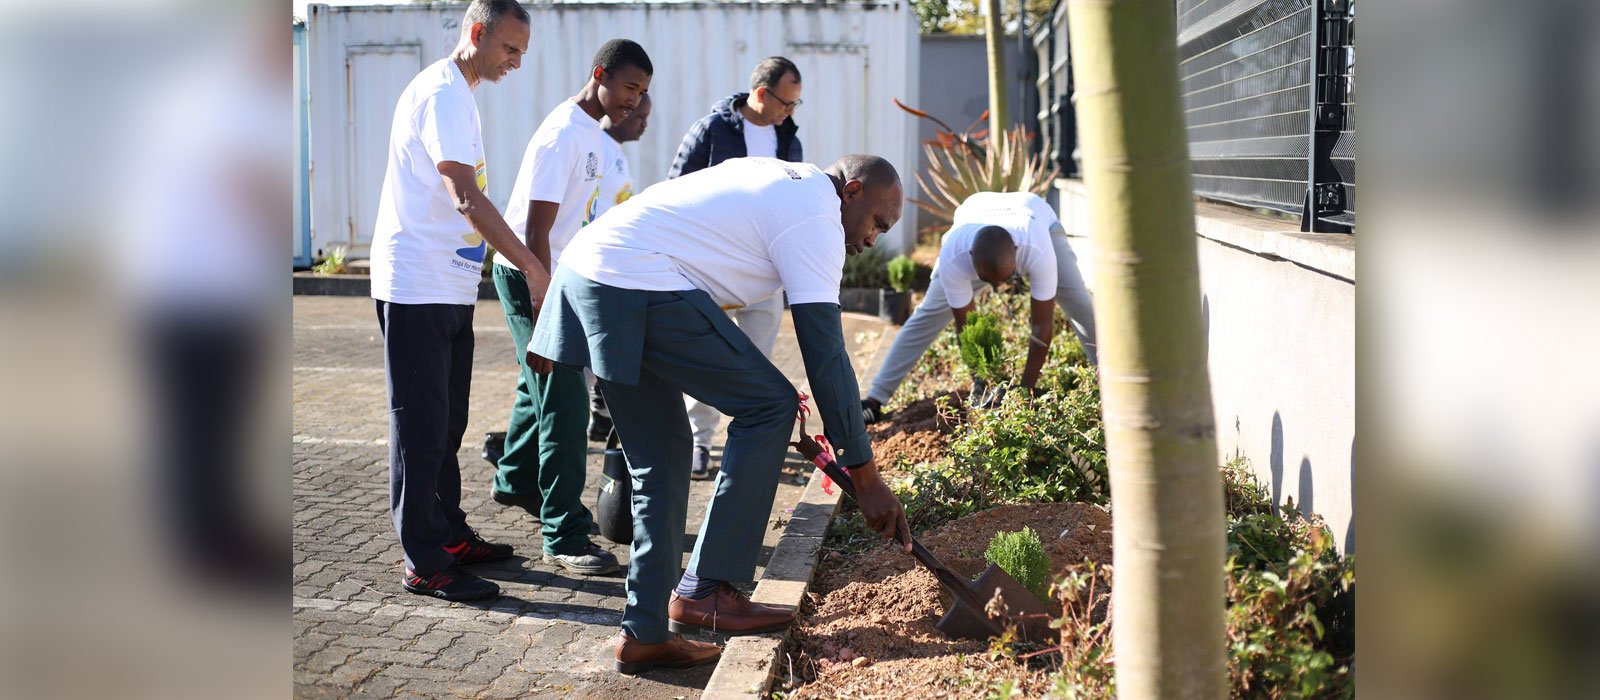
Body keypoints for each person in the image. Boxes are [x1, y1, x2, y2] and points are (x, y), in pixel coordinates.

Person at [528, 155, 913, 674]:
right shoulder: (817, 218)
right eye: (877, 224)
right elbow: (825, 355)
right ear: (853, 191)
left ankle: (644, 634)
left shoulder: (783, 178)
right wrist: (865, 477)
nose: (873, 239)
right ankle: (710, 587)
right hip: (634, 279)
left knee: (662, 459)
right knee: (770, 405)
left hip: (592, 272)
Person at [368, 0, 536, 602]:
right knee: (419, 427)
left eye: (521, 52)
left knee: (447, 422)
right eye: (509, 48)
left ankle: (447, 533)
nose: (516, 62)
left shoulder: (459, 93)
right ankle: (423, 559)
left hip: (447, 284)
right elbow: (464, 195)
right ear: (476, 32)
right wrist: (532, 266)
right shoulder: (441, 93)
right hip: (415, 285)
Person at [491, 39, 653, 576]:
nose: (634, 101)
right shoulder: (564, 133)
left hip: (556, 279)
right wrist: (543, 309)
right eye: (629, 87)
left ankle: (516, 479)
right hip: (529, 275)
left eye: (643, 93)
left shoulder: (593, 134)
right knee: (565, 402)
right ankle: (563, 534)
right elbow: (535, 232)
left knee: (535, 387)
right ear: (599, 73)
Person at [666, 56, 805, 480]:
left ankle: (748, 447)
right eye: (786, 103)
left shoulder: (789, 139)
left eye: (797, 104)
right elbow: (675, 189)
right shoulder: (712, 130)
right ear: (761, 94)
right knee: (707, 357)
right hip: (712, 268)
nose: (790, 112)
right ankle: (700, 443)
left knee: (756, 364)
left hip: (766, 272)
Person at [859, 191, 1099, 423]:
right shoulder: (955, 256)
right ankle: (875, 399)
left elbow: (1041, 324)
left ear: (1016, 257)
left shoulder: (1037, 249)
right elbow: (968, 328)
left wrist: (1025, 391)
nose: (996, 287)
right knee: (928, 314)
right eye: (988, 281)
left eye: (1002, 280)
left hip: (1035, 216)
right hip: (974, 213)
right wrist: (981, 381)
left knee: (1079, 304)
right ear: (971, 259)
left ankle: (1115, 383)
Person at [584, 92, 653, 443]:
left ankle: (601, 415)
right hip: (595, 267)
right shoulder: (596, 147)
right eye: (639, 116)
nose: (643, 124)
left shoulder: (616, 152)